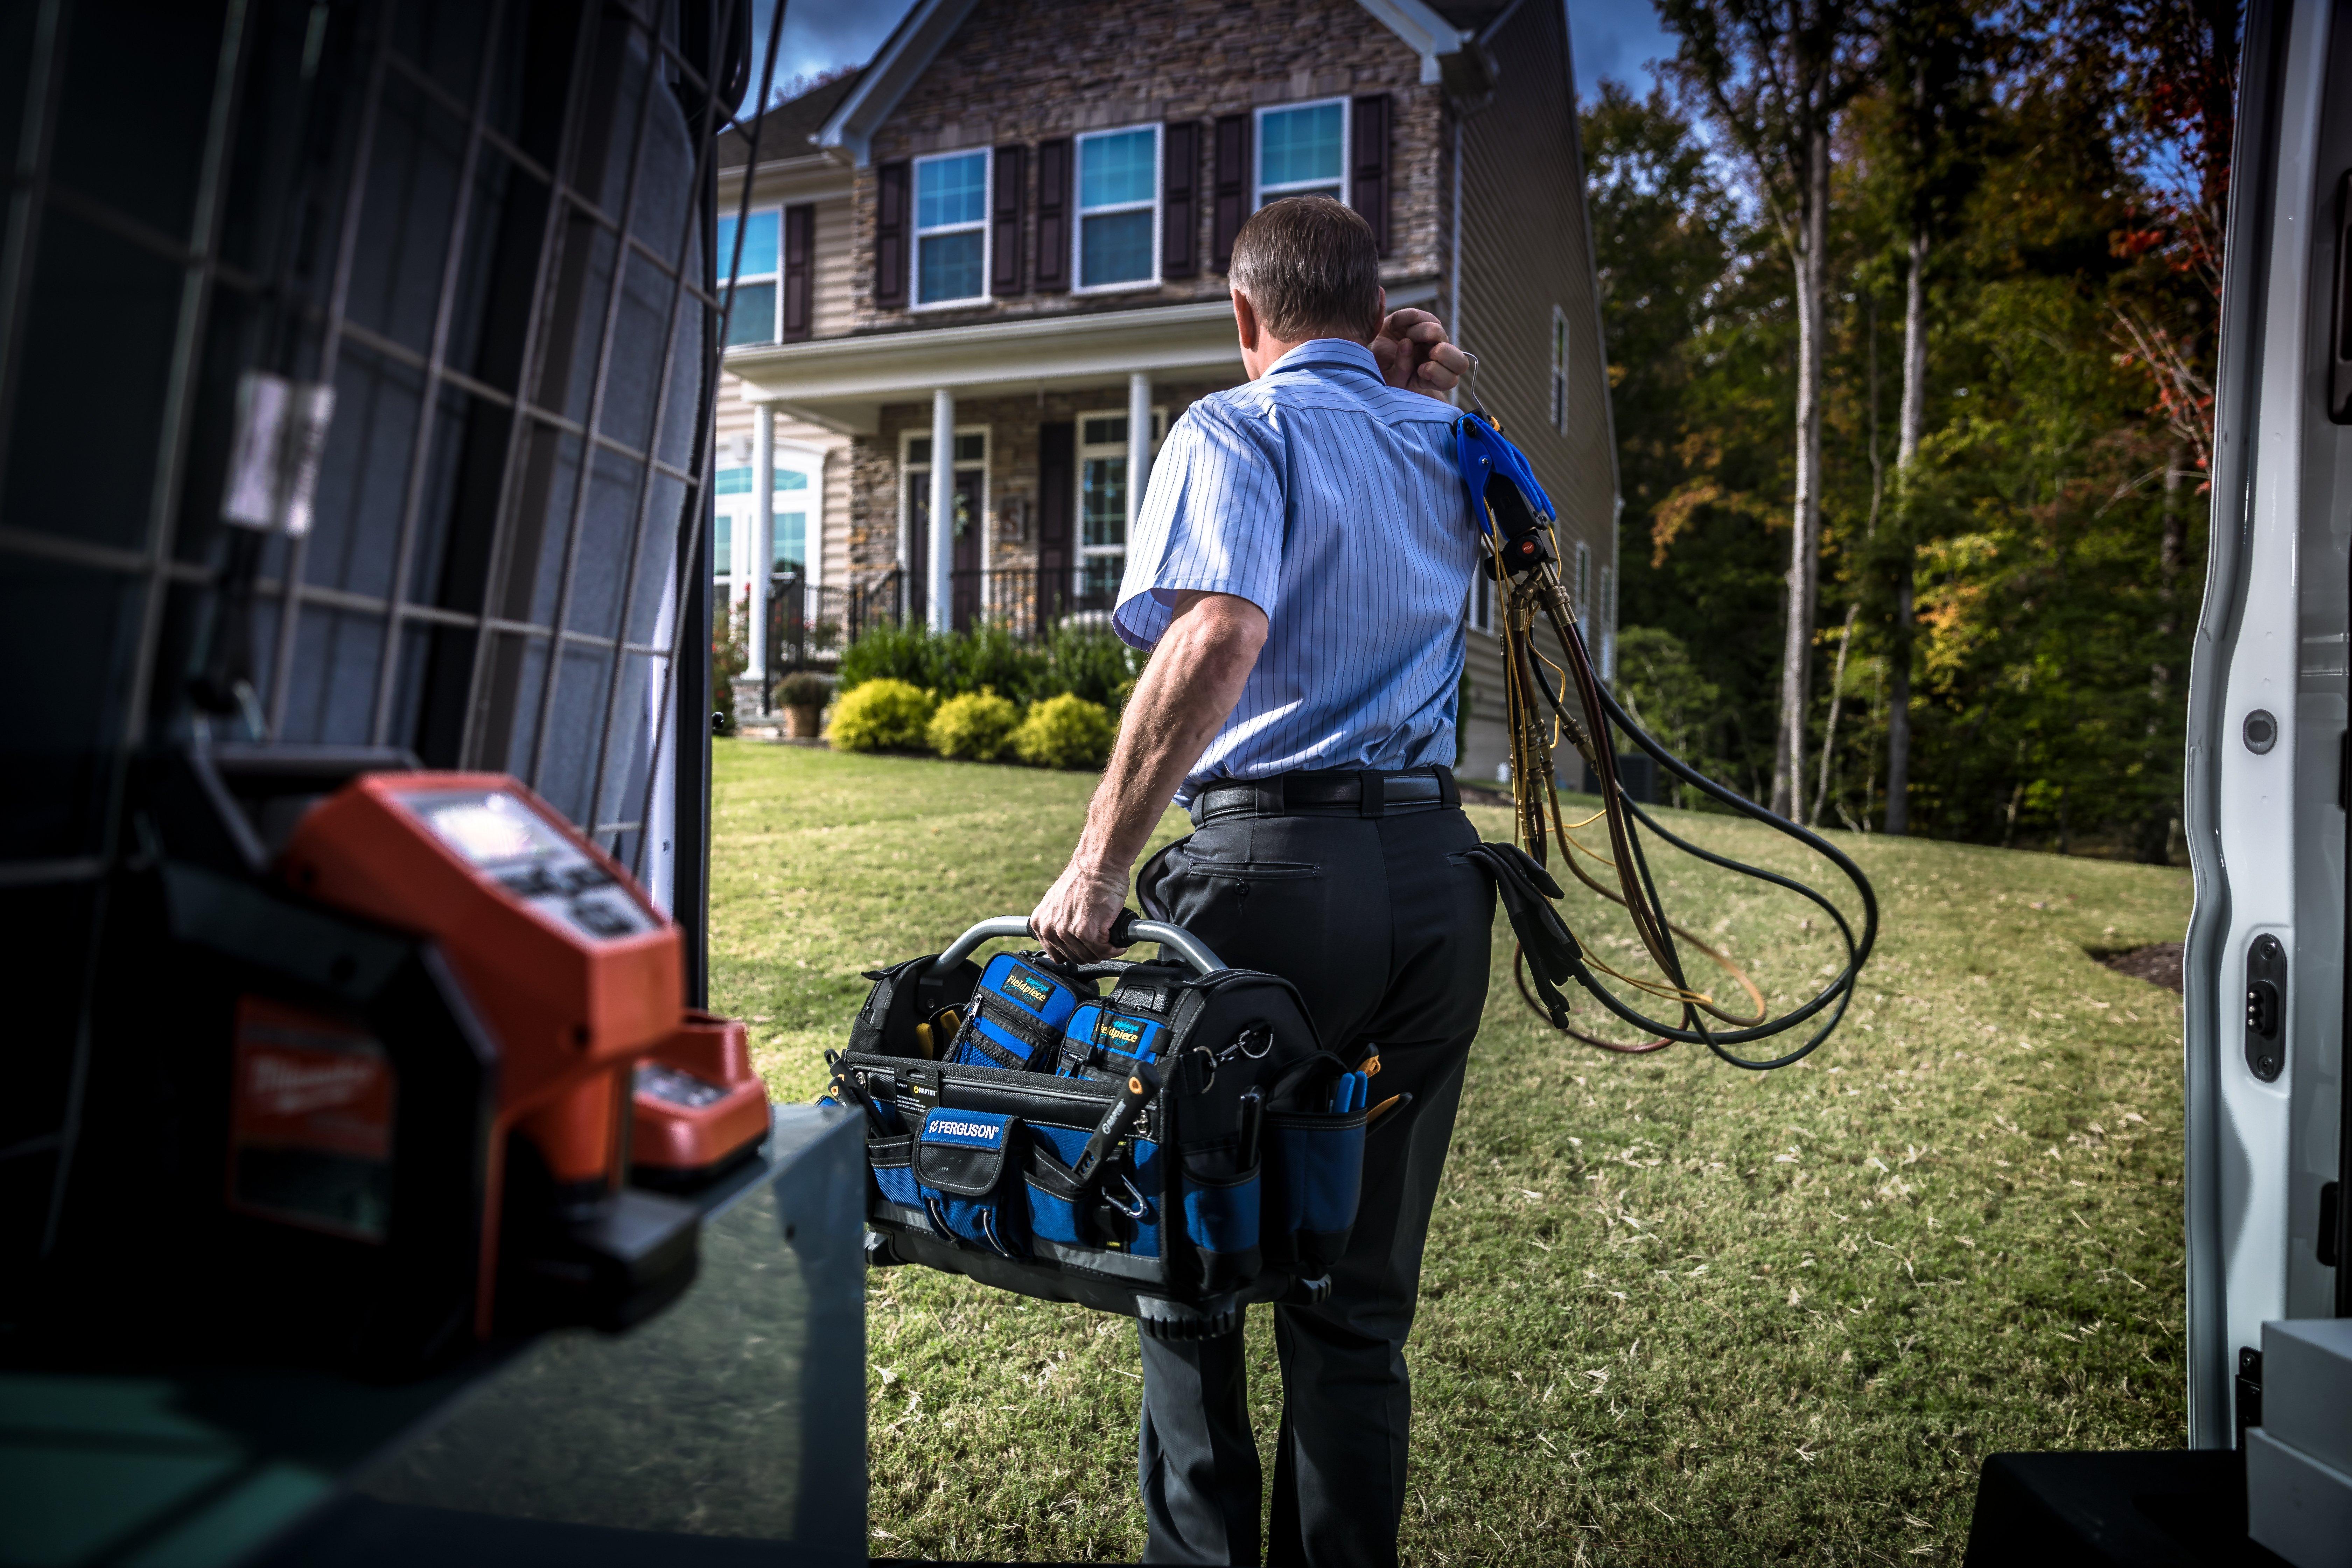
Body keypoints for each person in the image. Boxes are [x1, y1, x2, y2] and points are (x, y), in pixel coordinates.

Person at [1030, 196, 1498, 1568]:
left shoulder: (1237, 425)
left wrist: (1099, 861)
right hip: (1434, 882)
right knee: (1357, 1301)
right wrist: (1422, 389)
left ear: (1246, 320)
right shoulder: (1457, 437)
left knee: (1189, 1268)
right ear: (1374, 314)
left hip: (1268, 882)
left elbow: (1221, 626)